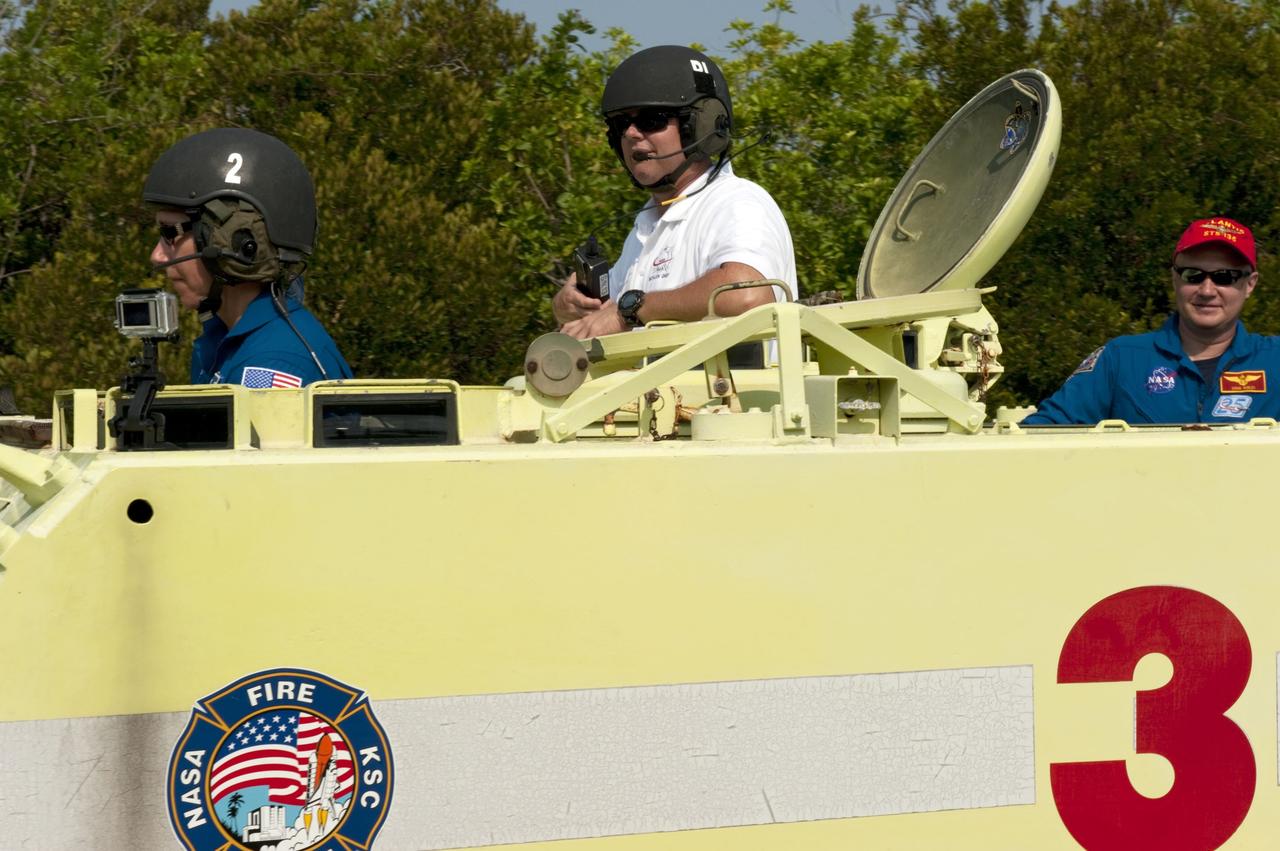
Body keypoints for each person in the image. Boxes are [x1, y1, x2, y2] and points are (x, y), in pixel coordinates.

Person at [553, 45, 797, 340]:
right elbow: (607, 316)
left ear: (701, 126)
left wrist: (632, 310)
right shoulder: (646, 228)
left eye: (651, 120)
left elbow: (749, 295)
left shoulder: (737, 201)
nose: (631, 134)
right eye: (621, 124)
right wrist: (570, 305)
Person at [144, 128, 352, 387]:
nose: (157, 256)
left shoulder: (271, 364)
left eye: (169, 234)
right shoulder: (226, 343)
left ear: (238, 240)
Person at [1024, 217, 1280, 424]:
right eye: (1193, 275)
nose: (1207, 290)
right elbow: (1042, 434)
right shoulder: (1120, 359)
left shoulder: (1275, 360)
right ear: (1175, 278)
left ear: (1250, 284)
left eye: (1225, 276)